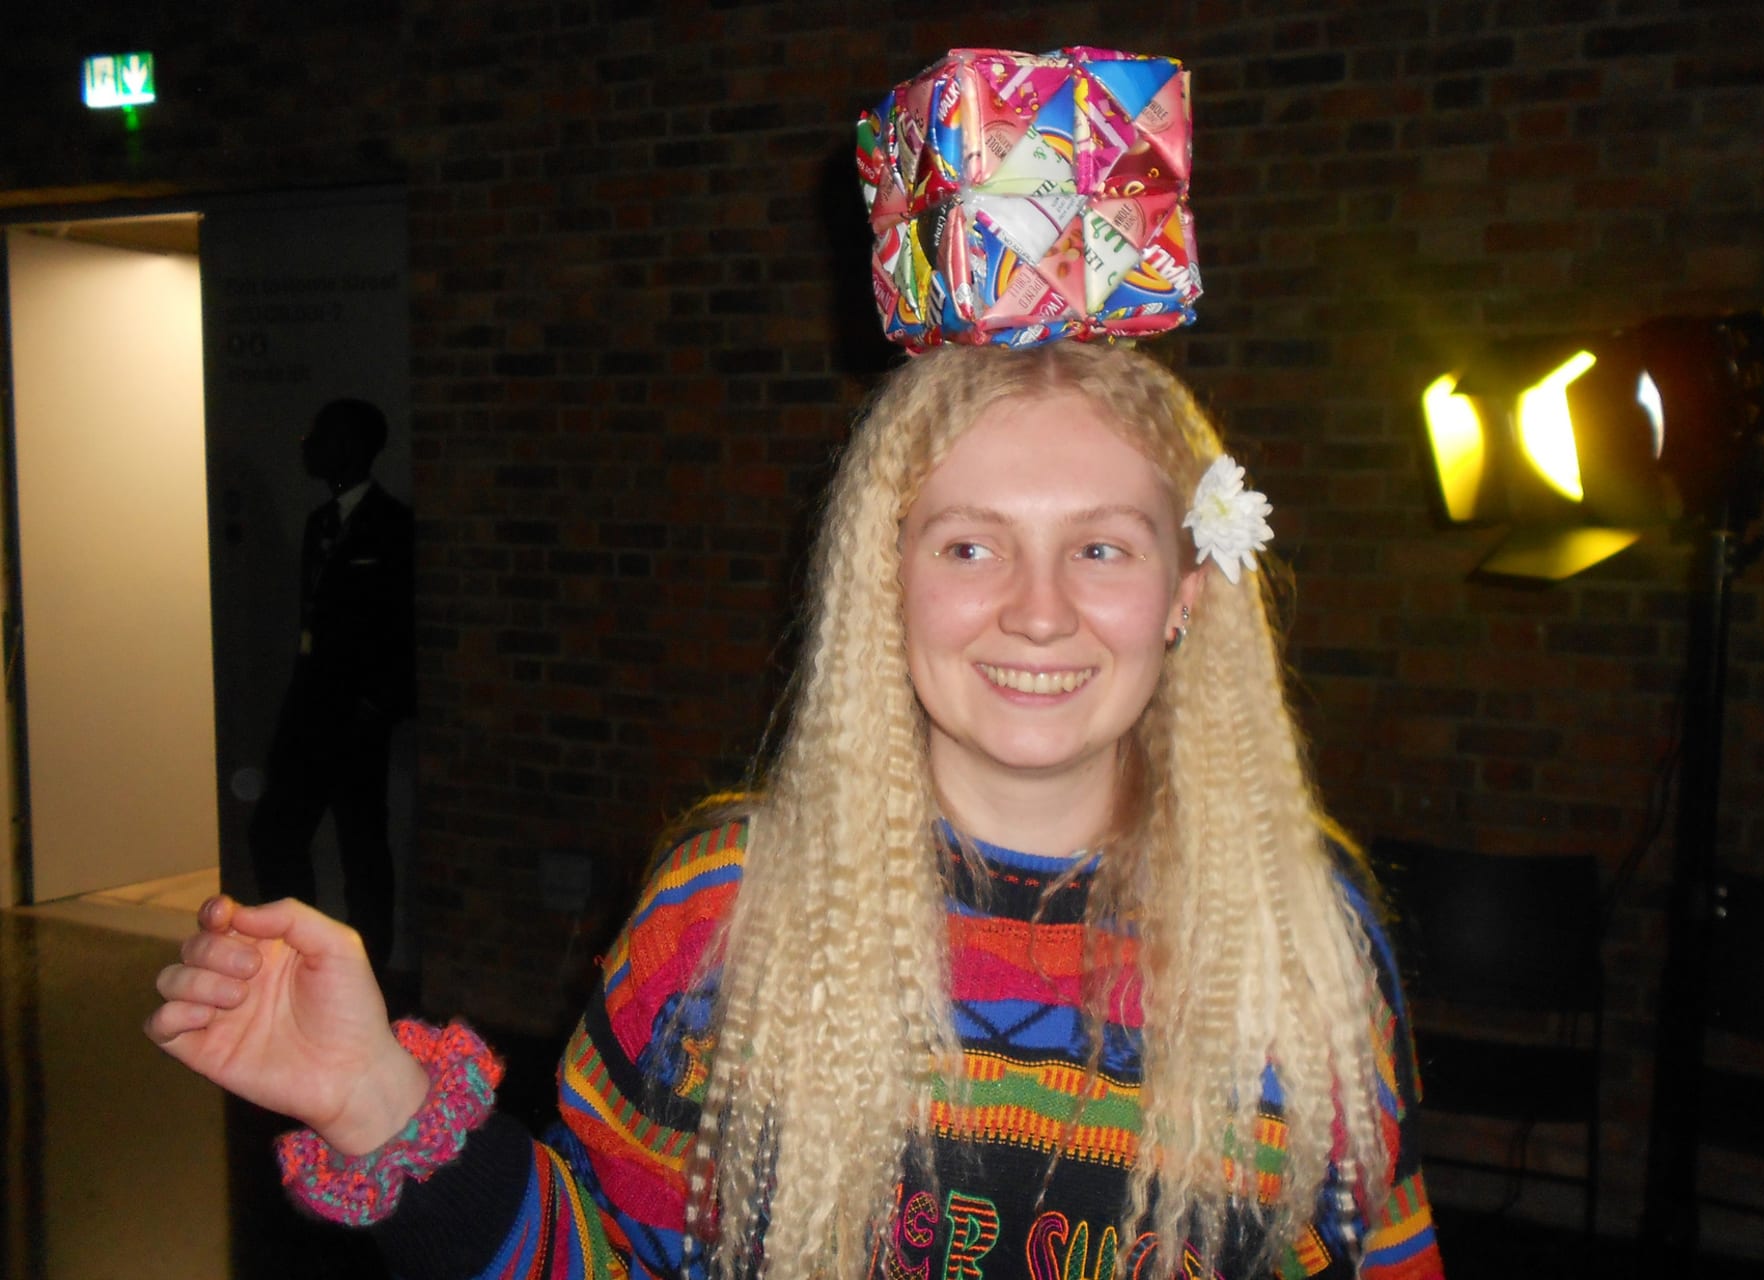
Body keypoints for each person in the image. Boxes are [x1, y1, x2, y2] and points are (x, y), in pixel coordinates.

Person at [149, 342, 1442, 1279]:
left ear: (1186, 593)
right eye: (970, 545)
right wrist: (374, 1099)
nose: (1039, 610)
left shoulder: (1301, 938)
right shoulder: (725, 914)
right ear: (887, 585)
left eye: (1102, 546)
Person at [247, 396, 415, 976]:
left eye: (319, 435)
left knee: (362, 843)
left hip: (357, 718)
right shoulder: (319, 524)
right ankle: (301, 954)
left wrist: (381, 704)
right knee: (275, 830)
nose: (307, 446)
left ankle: (369, 966)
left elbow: (404, 624)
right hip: (310, 709)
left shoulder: (394, 527)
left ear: (349, 444)